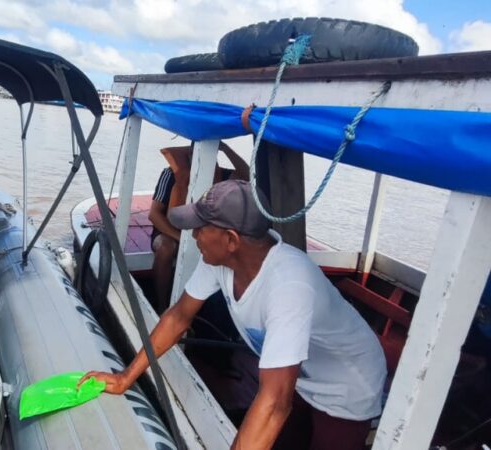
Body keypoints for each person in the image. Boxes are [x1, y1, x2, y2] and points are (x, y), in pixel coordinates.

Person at [82, 180, 387, 450]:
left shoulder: (288, 285)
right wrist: (125, 378)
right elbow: (178, 317)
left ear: (231, 240)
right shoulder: (219, 261)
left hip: (347, 382)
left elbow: (274, 403)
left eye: (201, 228)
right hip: (303, 374)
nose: (193, 235)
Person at [149, 141, 248, 312]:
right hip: (170, 232)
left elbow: (247, 174)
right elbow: (154, 214)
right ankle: (160, 305)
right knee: (166, 247)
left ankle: (219, 311)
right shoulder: (171, 174)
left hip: (203, 233)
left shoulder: (221, 176)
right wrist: (181, 238)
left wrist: (226, 148)